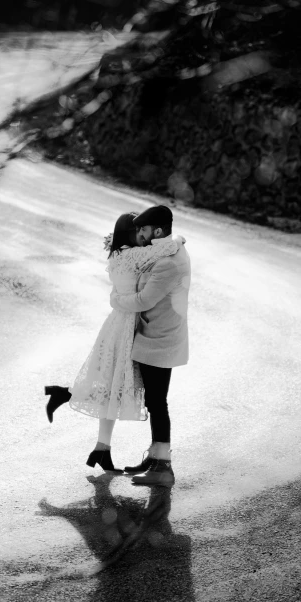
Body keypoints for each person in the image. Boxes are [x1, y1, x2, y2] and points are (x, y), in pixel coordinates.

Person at [44, 211, 183, 473]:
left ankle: (101, 448)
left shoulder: (117, 254)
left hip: (118, 322)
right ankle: (67, 398)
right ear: (131, 233)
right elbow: (166, 247)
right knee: (115, 387)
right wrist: (180, 240)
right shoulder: (133, 255)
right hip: (126, 326)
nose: (143, 234)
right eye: (138, 230)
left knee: (113, 387)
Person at [109, 204, 191, 488]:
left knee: (158, 403)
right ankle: (155, 458)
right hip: (159, 335)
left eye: (142, 230)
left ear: (156, 231)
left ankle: (163, 467)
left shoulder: (167, 262)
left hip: (160, 338)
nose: (139, 235)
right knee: (156, 402)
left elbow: (144, 300)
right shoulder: (169, 249)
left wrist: (116, 302)